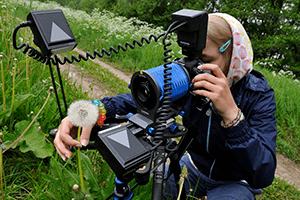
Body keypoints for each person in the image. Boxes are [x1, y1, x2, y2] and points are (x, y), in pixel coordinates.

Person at [54, 13, 277, 200]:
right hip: (191, 168)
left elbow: (263, 174)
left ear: (231, 52)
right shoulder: (192, 77)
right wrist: (87, 112)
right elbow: (139, 99)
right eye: (191, 59)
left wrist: (231, 114)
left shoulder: (258, 94)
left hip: (234, 182)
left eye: (204, 60)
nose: (195, 69)